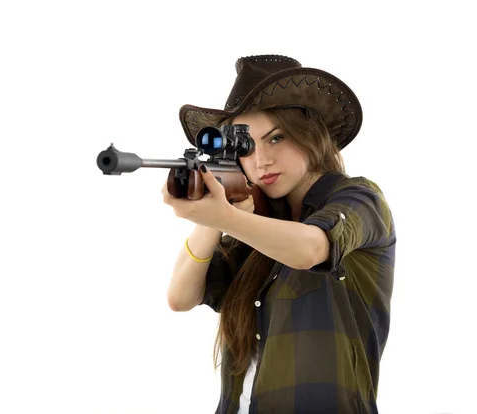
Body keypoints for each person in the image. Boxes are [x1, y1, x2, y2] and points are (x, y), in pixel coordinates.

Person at [164, 55, 396, 414]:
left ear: (311, 134)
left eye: (276, 137)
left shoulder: (359, 199)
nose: (261, 160)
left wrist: (225, 215)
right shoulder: (255, 224)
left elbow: (310, 248)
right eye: (246, 146)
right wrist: (211, 215)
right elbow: (180, 297)